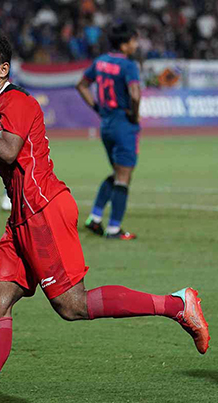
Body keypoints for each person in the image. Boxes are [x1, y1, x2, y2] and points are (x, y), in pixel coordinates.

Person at [0, 30, 209, 403]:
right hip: (21, 218)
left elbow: (9, 150)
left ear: (1, 70)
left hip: (44, 212)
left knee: (73, 306)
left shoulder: (15, 102)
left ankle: (177, 305)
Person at [76, 22, 141, 240]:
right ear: (124, 44)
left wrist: (97, 107)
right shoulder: (129, 65)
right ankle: (114, 229)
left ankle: (95, 218)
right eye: (133, 40)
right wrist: (134, 115)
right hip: (123, 123)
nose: (136, 44)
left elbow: (81, 85)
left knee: (117, 173)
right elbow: (134, 94)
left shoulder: (100, 61)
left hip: (106, 124)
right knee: (124, 177)